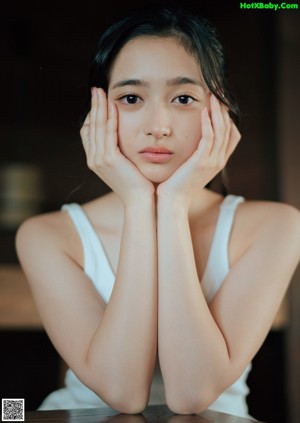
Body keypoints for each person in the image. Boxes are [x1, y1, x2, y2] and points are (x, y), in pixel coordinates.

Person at [16, 4, 300, 419]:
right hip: (71, 415)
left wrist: (171, 203)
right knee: (7, 413)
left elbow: (191, 395)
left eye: (183, 98)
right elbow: (122, 394)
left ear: (218, 112)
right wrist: (137, 202)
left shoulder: (277, 226)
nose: (158, 125)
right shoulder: (46, 235)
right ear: (98, 113)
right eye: (131, 98)